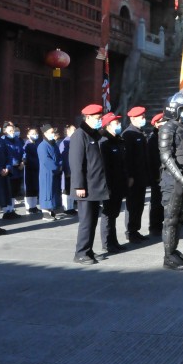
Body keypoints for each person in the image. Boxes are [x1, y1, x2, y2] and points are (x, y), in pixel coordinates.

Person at [158, 91, 183, 271]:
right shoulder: (167, 128)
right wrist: (181, 177)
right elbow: (166, 157)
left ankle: (173, 251)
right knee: (171, 219)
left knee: (178, 218)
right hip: (173, 182)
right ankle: (168, 256)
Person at [69, 104, 109, 265]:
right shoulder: (80, 135)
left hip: (95, 185)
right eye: (98, 118)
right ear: (88, 117)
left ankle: (88, 249)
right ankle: (81, 253)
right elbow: (76, 163)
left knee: (92, 220)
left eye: (100, 118)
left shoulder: (93, 135)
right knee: (86, 221)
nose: (100, 121)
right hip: (85, 186)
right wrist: (78, 186)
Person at [99, 112, 127, 254]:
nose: (119, 125)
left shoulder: (117, 140)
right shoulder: (104, 142)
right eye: (116, 123)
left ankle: (114, 241)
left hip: (119, 183)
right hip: (110, 185)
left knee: (114, 213)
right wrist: (106, 186)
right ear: (108, 125)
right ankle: (107, 243)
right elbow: (105, 167)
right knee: (108, 214)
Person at [122, 106, 151, 243]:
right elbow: (127, 158)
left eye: (144, 117)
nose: (144, 119)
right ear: (133, 118)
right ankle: (130, 231)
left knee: (139, 204)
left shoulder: (140, 132)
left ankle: (135, 229)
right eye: (141, 117)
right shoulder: (129, 134)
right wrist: (130, 176)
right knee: (132, 204)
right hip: (134, 177)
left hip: (142, 175)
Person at [37, 124, 63, 220]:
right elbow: (45, 160)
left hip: (55, 172)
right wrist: (56, 167)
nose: (53, 134)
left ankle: (51, 209)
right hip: (47, 172)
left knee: (54, 191)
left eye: (53, 132)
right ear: (45, 133)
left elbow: (59, 156)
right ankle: (45, 212)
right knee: (47, 191)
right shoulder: (42, 146)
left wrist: (60, 165)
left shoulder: (54, 144)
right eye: (51, 132)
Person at [146, 112, 165, 236]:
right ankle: (154, 226)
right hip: (157, 174)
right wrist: (155, 175)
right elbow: (152, 158)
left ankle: (160, 223)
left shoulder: (164, 135)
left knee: (164, 202)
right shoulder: (153, 138)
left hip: (165, 173)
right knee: (156, 202)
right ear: (157, 124)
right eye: (162, 122)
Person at [1, 122, 24, 220]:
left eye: (13, 130)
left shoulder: (17, 140)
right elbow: (6, 154)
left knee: (15, 191)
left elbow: (23, 151)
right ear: (5, 131)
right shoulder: (3, 141)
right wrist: (13, 163)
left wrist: (23, 162)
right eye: (10, 130)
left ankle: (12, 209)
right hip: (10, 169)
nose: (13, 132)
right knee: (8, 191)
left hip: (18, 169)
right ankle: (7, 211)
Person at [59, 124, 76, 215]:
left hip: (73, 170)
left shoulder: (74, 141)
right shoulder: (64, 143)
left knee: (71, 189)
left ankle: (71, 207)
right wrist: (67, 171)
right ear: (68, 131)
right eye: (73, 130)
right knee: (66, 190)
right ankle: (67, 208)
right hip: (67, 171)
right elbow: (64, 158)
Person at [23, 127, 41, 214]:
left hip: (36, 168)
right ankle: (29, 207)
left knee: (35, 188)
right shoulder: (27, 145)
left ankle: (34, 206)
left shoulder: (37, 143)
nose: (35, 135)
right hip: (29, 169)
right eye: (33, 133)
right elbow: (27, 157)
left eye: (36, 133)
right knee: (29, 188)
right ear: (28, 135)